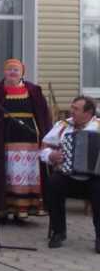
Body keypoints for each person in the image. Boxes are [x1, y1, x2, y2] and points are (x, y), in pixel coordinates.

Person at [0, 58, 51, 222]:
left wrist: (46, 136)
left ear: (22, 72)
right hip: (2, 138)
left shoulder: (33, 90)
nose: (12, 73)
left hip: (28, 139)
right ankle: (2, 209)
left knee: (25, 173)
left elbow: (43, 114)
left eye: (16, 70)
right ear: (4, 72)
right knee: (5, 172)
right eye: (9, 69)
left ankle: (22, 209)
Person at [41, 96, 100, 252]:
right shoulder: (62, 126)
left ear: (88, 113)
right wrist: (51, 156)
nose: (71, 111)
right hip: (68, 176)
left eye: (76, 109)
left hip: (94, 178)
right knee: (53, 183)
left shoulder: (98, 126)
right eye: (71, 107)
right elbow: (44, 148)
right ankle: (59, 232)